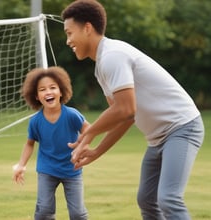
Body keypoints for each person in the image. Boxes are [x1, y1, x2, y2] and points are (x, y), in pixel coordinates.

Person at [61, 0, 205, 219]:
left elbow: (126, 109)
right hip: (158, 138)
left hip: (182, 127)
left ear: (87, 28)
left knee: (168, 198)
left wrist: (89, 133)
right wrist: (97, 150)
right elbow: (124, 117)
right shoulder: (101, 67)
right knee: (147, 199)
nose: (68, 41)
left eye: (70, 33)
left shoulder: (112, 56)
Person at [13, 66, 90, 220]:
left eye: (53, 87)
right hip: (47, 169)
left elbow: (88, 130)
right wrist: (21, 165)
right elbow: (29, 143)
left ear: (61, 91)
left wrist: (82, 147)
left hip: (72, 169)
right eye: (42, 89)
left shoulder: (72, 115)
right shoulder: (35, 121)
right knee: (44, 211)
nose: (48, 92)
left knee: (78, 214)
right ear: (36, 96)